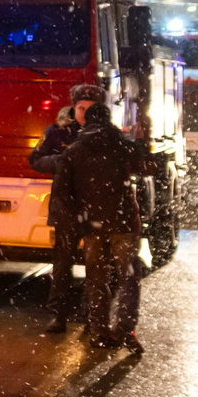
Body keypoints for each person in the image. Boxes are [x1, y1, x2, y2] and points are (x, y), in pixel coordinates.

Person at [61, 96, 146, 354]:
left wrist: (75, 222)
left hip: (92, 225)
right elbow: (148, 165)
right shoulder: (122, 144)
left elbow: (65, 190)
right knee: (129, 277)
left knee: (96, 279)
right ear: (109, 119)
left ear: (86, 121)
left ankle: (98, 331)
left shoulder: (75, 149)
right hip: (123, 222)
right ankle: (126, 329)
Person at [27, 89, 96, 333]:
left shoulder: (102, 133)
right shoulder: (57, 131)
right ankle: (58, 315)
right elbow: (34, 159)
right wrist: (62, 162)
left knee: (95, 266)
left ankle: (91, 317)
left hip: (94, 210)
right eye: (81, 108)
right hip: (66, 208)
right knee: (62, 264)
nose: (84, 114)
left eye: (90, 108)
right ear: (73, 108)